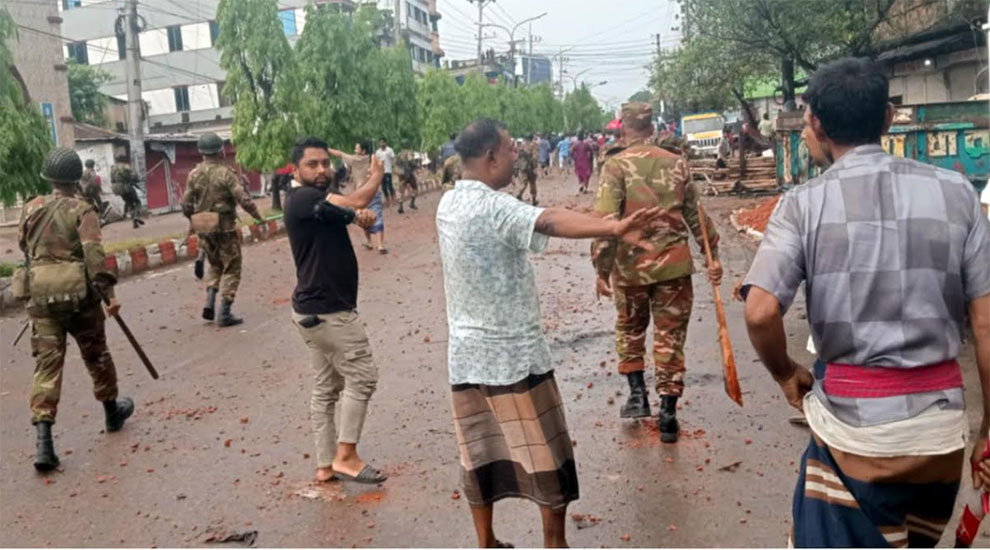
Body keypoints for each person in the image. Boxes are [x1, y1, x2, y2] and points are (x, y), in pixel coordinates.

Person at [741, 58, 990, 548]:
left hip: (856, 440)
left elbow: (760, 311)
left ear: (813, 122)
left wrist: (787, 373)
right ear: (889, 117)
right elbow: (985, 324)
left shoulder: (803, 204)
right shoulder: (958, 193)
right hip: (940, 439)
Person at [436, 118, 660, 549]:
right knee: (548, 455)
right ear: (490, 157)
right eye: (509, 148)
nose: (516, 155)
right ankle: (554, 544)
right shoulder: (492, 206)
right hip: (513, 355)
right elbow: (549, 220)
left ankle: (487, 541)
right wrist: (612, 228)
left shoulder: (448, 205)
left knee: (479, 451)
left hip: (466, 356)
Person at [592, 102, 723, 443]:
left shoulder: (615, 166)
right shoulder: (676, 163)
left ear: (623, 129)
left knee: (630, 330)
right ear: (651, 128)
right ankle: (668, 413)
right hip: (674, 266)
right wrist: (713, 254)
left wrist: (601, 269)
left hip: (630, 268)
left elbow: (607, 223)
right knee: (670, 337)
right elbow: (696, 214)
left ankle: (637, 397)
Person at [18, 148, 136, 472]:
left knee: (47, 366)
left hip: (41, 299)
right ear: (76, 180)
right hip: (79, 300)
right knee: (96, 355)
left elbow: (24, 247)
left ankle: (44, 444)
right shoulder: (83, 210)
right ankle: (112, 413)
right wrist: (109, 296)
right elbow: (95, 259)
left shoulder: (31, 208)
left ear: (49, 178)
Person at [284, 136, 388, 485]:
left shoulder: (314, 202)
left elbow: (348, 210)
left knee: (326, 388)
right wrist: (376, 176)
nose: (321, 169)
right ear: (295, 169)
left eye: (325, 163)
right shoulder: (302, 198)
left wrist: (359, 217)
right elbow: (357, 199)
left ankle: (325, 464)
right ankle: (346, 456)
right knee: (363, 375)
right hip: (329, 311)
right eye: (312, 164)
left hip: (313, 310)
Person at [181, 133, 265, 328]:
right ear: (221, 150)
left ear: (201, 152)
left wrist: (194, 220)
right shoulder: (226, 173)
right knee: (232, 267)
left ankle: (210, 299)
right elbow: (243, 199)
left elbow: (186, 203)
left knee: (215, 265)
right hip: (225, 228)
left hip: (204, 228)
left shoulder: (193, 174)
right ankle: (225, 313)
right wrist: (258, 217)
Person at [331, 142, 387, 254]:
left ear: (363, 151)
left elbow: (340, 154)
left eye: (357, 149)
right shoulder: (373, 159)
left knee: (362, 217)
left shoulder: (355, 160)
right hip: (374, 191)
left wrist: (326, 148)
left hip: (361, 193)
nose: (355, 150)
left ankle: (370, 242)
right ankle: (380, 245)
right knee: (378, 216)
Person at [110, 154, 144, 229]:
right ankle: (136, 216)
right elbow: (132, 177)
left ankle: (135, 222)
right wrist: (137, 180)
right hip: (127, 187)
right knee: (138, 202)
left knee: (130, 204)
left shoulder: (113, 168)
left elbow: (112, 180)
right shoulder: (126, 167)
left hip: (118, 189)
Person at [394, 141, 419, 214]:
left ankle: (401, 206)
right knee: (415, 188)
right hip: (409, 174)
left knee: (401, 191)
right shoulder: (409, 152)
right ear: (408, 145)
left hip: (401, 175)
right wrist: (416, 166)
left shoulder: (399, 154)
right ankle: (412, 203)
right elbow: (411, 161)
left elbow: (395, 164)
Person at [515, 134, 539, 205]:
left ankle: (519, 194)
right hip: (530, 167)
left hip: (523, 167)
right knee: (532, 183)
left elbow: (518, 157)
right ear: (532, 138)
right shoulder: (533, 145)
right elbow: (535, 157)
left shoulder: (521, 146)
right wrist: (535, 167)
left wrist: (517, 167)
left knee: (523, 183)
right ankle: (534, 200)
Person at [375, 138, 396, 208]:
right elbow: (376, 161)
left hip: (388, 170)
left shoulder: (389, 150)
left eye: (383, 143)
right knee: (383, 187)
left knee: (389, 186)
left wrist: (393, 166)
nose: (381, 144)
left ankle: (393, 199)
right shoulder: (378, 152)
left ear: (385, 143)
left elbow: (393, 158)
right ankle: (387, 200)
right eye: (380, 143)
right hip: (381, 172)